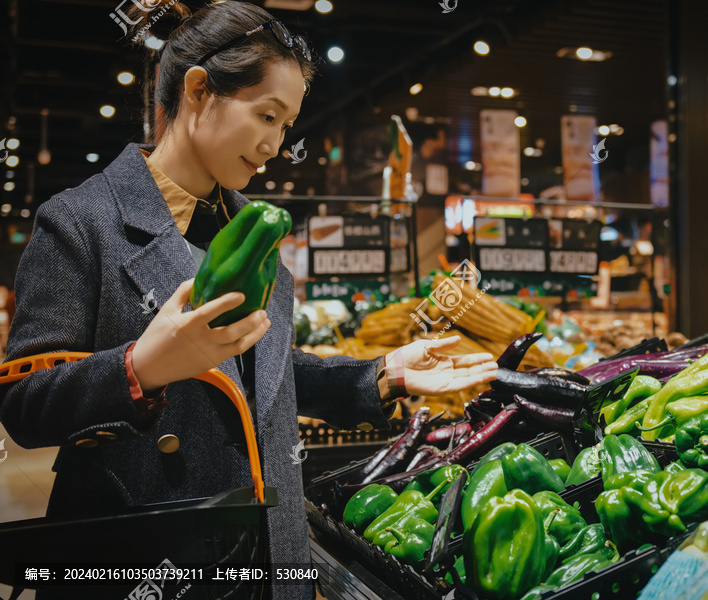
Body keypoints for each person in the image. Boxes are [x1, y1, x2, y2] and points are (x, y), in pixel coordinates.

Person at [0, 2, 497, 599]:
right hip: (147, 558)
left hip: (264, 550)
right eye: (267, 115)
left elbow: (260, 377)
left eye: (287, 126)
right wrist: (140, 370)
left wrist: (381, 374)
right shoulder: (82, 222)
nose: (275, 145)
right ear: (198, 90)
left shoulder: (257, 237)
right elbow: (24, 405)